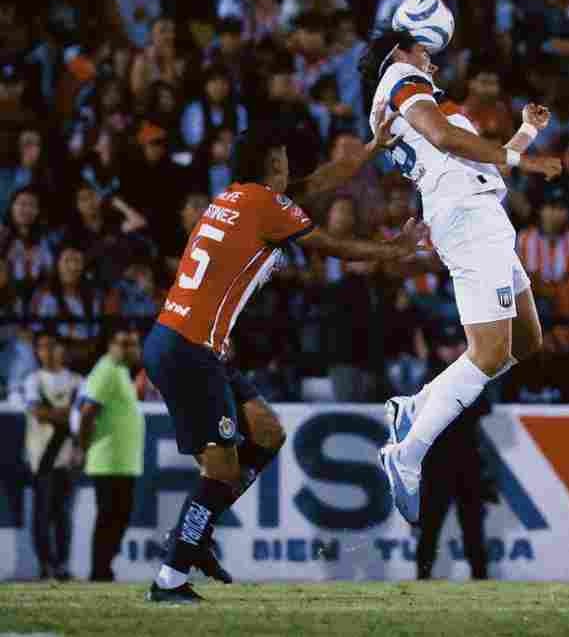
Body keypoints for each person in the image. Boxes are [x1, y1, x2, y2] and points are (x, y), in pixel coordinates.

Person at [143, 109, 424, 603]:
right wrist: (394, 251)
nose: (292, 167)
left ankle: (196, 533)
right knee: (221, 471)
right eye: (286, 160)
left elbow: (317, 183)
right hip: (189, 350)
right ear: (274, 162)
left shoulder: (238, 199)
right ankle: (170, 577)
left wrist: (373, 148)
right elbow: (330, 246)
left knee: (267, 434)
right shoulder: (264, 207)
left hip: (189, 343)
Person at [358, 29, 562, 526]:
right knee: (489, 352)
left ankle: (416, 404)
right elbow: (449, 140)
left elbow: (480, 165)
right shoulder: (403, 80)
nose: (432, 58)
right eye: (422, 49)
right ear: (399, 54)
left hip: (483, 214)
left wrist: (524, 134)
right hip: (469, 222)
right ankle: (406, 455)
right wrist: (527, 159)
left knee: (527, 341)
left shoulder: (435, 107)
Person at [415, 324, 488, 581]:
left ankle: (480, 576)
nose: (453, 350)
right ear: (439, 349)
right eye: (448, 345)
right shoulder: (431, 377)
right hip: (439, 462)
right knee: (431, 525)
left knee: (473, 526)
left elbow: (482, 407)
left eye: (457, 344)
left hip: (467, 460)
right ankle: (422, 575)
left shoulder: (471, 375)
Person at [75, 329, 144, 582]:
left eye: (134, 344)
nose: (130, 349)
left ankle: (104, 568)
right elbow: (87, 412)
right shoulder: (106, 369)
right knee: (109, 518)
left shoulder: (120, 371)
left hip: (121, 461)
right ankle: (99, 572)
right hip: (108, 460)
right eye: (124, 343)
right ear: (110, 345)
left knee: (118, 517)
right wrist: (83, 447)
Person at [21, 333, 82, 581]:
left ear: (61, 350)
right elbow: (38, 413)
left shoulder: (77, 380)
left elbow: (83, 416)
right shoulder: (32, 380)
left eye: (51, 346)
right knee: (42, 515)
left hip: (67, 457)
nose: (46, 351)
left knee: (63, 515)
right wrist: (68, 414)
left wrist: (54, 413)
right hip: (41, 457)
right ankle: (45, 565)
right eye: (41, 347)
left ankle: (62, 565)